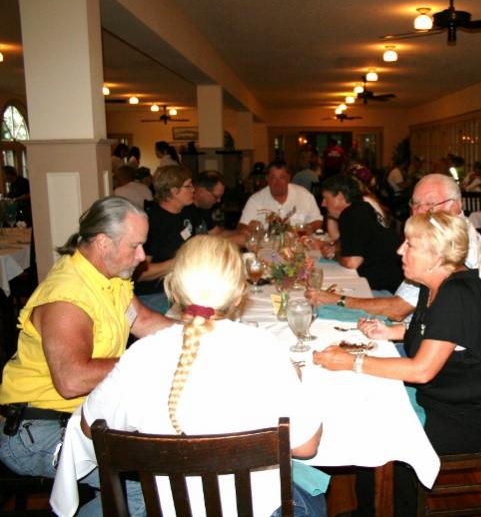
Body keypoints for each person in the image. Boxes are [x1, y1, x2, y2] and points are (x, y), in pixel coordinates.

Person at [80, 235, 325, 516]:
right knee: (313, 492)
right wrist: (298, 382)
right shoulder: (264, 349)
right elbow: (306, 446)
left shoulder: (140, 354)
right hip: (260, 511)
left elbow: (90, 427)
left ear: (172, 290)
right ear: (239, 294)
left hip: (168, 510)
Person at [313, 212, 481, 515]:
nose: (399, 251)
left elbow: (421, 370)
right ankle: (373, 508)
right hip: (447, 398)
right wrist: (391, 331)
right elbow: (433, 331)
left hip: (473, 418)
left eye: (409, 245)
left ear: (436, 256)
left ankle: (387, 510)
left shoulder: (457, 296)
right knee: (365, 409)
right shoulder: (435, 286)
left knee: (378, 431)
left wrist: (352, 361)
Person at [0, 197, 172, 480]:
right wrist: (149, 359)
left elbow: (143, 321)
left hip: (82, 416)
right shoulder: (67, 297)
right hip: (38, 429)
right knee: (150, 482)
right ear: (104, 242)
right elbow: (72, 380)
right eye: (135, 246)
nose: (142, 256)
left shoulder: (108, 276)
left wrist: (201, 333)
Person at [307, 174, 481, 322]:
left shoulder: (455, 246)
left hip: (427, 345)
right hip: (410, 327)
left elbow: (398, 310)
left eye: (430, 204)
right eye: (416, 204)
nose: (420, 212)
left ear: (456, 205)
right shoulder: (441, 234)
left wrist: (337, 300)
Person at [135, 165, 203, 313]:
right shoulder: (152, 223)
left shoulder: (187, 211)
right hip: (155, 294)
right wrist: (180, 262)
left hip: (183, 286)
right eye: (188, 186)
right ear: (173, 191)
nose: (193, 189)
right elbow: (140, 273)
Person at [319, 175, 403, 293]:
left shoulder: (351, 214)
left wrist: (336, 254)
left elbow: (352, 262)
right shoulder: (361, 208)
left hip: (386, 290)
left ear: (340, 197)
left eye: (325, 198)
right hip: (392, 282)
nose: (323, 204)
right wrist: (335, 247)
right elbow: (352, 240)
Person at [238, 160, 323, 233]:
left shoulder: (305, 196)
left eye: (282, 177)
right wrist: (249, 228)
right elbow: (242, 226)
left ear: (289, 178)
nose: (278, 182)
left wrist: (309, 228)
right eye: (273, 178)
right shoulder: (255, 200)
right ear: (267, 179)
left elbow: (318, 220)